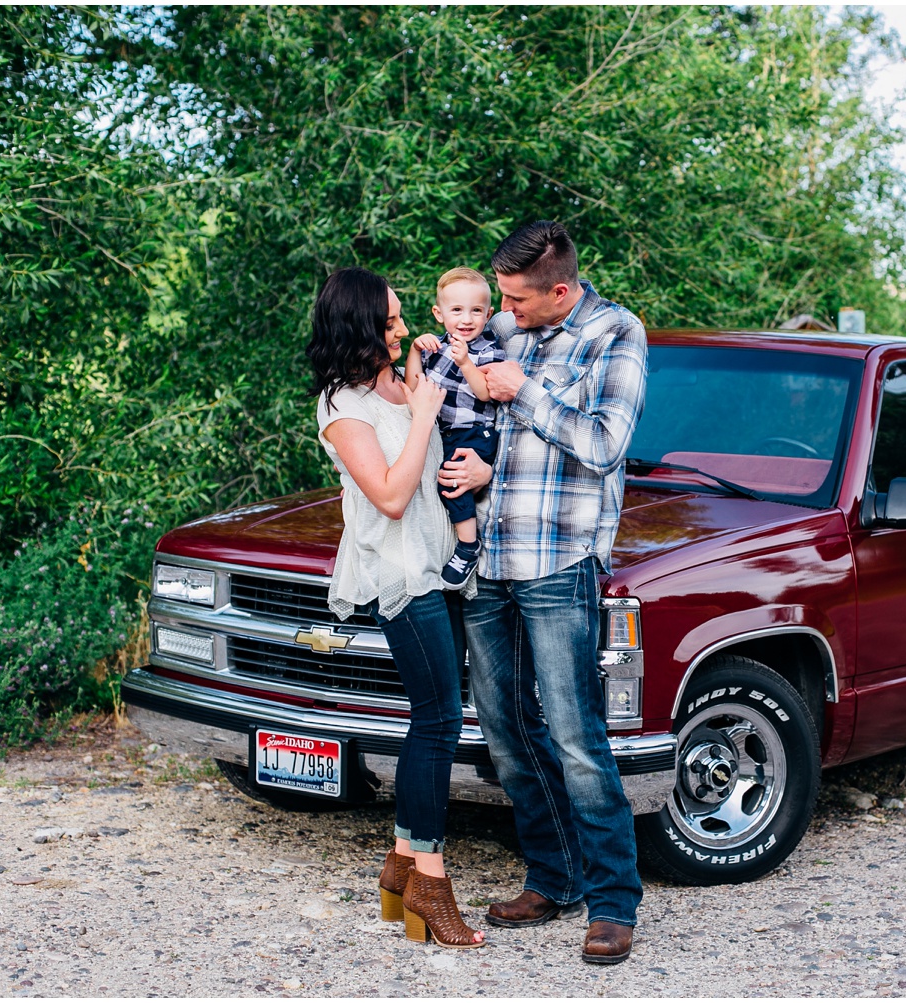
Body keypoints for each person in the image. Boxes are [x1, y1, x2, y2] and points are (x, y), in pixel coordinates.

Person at [443, 220, 649, 965]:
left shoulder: (616, 335)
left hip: (559, 561)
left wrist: (525, 391)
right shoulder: (507, 325)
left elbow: (603, 443)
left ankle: (613, 901)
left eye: (518, 298)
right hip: (490, 557)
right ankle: (553, 875)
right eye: (500, 296)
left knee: (575, 735)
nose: (504, 309)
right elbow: (461, 372)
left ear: (559, 291)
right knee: (504, 727)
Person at [306, 266, 486, 950]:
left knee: (431, 720)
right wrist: (422, 416)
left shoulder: (394, 378)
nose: (405, 328)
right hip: (399, 578)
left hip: (429, 566)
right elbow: (388, 493)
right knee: (438, 723)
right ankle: (430, 886)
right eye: (391, 321)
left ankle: (400, 869)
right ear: (358, 327)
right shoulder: (342, 406)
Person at [403, 267, 504, 587]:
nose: (466, 319)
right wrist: (414, 351)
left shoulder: (489, 349)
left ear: (488, 314)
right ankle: (440, 544)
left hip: (475, 431)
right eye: (457, 310)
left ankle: (468, 547)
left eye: (476, 311)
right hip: (443, 432)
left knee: (453, 481)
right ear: (439, 313)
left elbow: (486, 393)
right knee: (431, 482)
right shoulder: (435, 347)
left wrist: (465, 363)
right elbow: (413, 388)